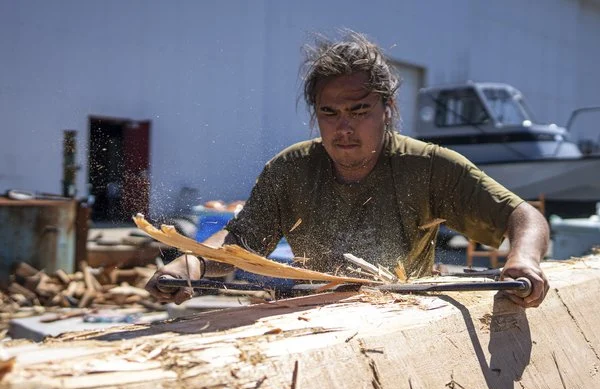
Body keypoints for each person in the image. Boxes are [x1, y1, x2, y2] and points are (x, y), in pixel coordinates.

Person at [146, 30, 549, 308]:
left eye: (359, 111)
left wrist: (524, 261)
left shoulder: (427, 167)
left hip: (398, 320)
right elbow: (239, 243)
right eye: (329, 113)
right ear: (315, 114)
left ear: (386, 109)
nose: (343, 128)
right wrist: (191, 263)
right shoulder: (290, 170)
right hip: (306, 317)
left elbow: (524, 217)